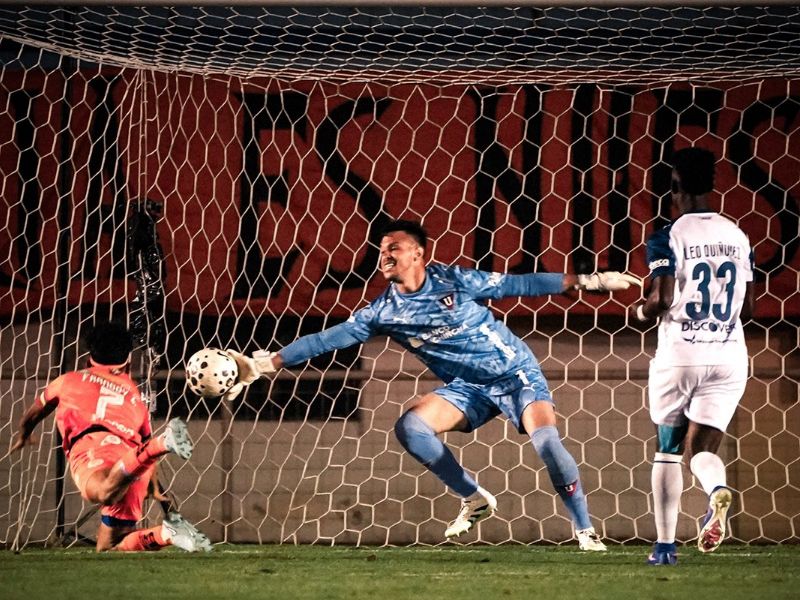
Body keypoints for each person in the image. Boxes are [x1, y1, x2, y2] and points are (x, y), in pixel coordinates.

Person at [227, 219, 641, 551]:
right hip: (468, 387)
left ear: (419, 253)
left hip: (514, 373)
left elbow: (519, 284)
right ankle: (474, 497)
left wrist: (591, 281)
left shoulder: (454, 281)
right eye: (383, 248)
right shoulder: (382, 312)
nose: (385, 253)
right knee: (410, 427)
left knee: (548, 445)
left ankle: (585, 531)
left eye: (395, 247)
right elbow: (325, 339)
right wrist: (264, 364)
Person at [629, 147, 755, 565]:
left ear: (675, 185)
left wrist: (641, 308)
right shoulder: (738, 235)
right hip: (729, 356)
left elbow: (662, 299)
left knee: (667, 450)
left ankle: (665, 547)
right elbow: (748, 309)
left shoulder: (668, 234)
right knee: (701, 450)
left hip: (681, 354)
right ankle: (716, 491)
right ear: (713, 184)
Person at [12, 320, 211, 553]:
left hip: (93, 447)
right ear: (128, 359)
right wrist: (154, 486)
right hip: (132, 463)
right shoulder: (133, 393)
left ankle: (163, 443)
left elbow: (34, 413)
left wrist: (24, 435)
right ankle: (166, 534)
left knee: (104, 492)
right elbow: (143, 443)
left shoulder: (67, 380)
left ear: (89, 356)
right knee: (109, 549)